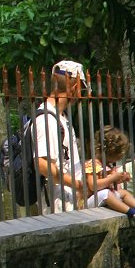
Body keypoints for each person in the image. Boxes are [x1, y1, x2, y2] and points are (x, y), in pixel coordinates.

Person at [34, 59, 89, 213]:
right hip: (59, 203)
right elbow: (42, 165)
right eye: (82, 88)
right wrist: (77, 184)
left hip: (69, 199)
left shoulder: (60, 117)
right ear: (75, 86)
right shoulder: (47, 119)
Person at [84, 126, 135, 222]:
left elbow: (110, 184)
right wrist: (113, 178)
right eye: (118, 156)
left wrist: (119, 179)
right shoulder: (92, 164)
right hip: (91, 201)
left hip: (105, 198)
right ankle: (134, 213)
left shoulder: (107, 165)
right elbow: (93, 186)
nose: (119, 159)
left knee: (124, 192)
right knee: (106, 193)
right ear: (110, 153)